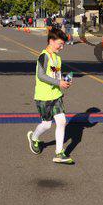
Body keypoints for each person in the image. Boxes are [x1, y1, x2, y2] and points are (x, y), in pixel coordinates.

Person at [26, 27, 74, 164]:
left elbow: (55, 75)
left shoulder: (58, 58)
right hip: (43, 96)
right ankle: (34, 138)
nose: (62, 47)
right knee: (47, 125)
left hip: (56, 95)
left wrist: (64, 80)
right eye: (60, 44)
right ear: (51, 41)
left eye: (63, 45)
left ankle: (59, 153)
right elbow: (41, 75)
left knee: (62, 121)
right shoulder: (43, 56)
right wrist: (58, 82)